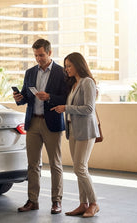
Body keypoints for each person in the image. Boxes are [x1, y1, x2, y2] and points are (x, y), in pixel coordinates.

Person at [14, 39, 67, 214]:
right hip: (33, 122)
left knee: (55, 164)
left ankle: (56, 201)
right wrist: (19, 98)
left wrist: (50, 97)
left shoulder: (61, 72)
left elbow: (67, 98)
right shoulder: (29, 72)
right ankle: (32, 200)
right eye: (36, 55)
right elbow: (26, 97)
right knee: (33, 164)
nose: (38, 59)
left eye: (42, 55)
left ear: (50, 53)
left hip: (51, 122)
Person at [51, 52, 100, 218]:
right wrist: (64, 108)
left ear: (79, 65)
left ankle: (93, 203)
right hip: (73, 130)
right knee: (78, 169)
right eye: (65, 66)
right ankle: (83, 204)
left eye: (69, 65)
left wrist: (66, 108)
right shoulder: (73, 84)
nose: (66, 69)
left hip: (86, 131)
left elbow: (89, 109)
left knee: (80, 168)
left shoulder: (87, 83)